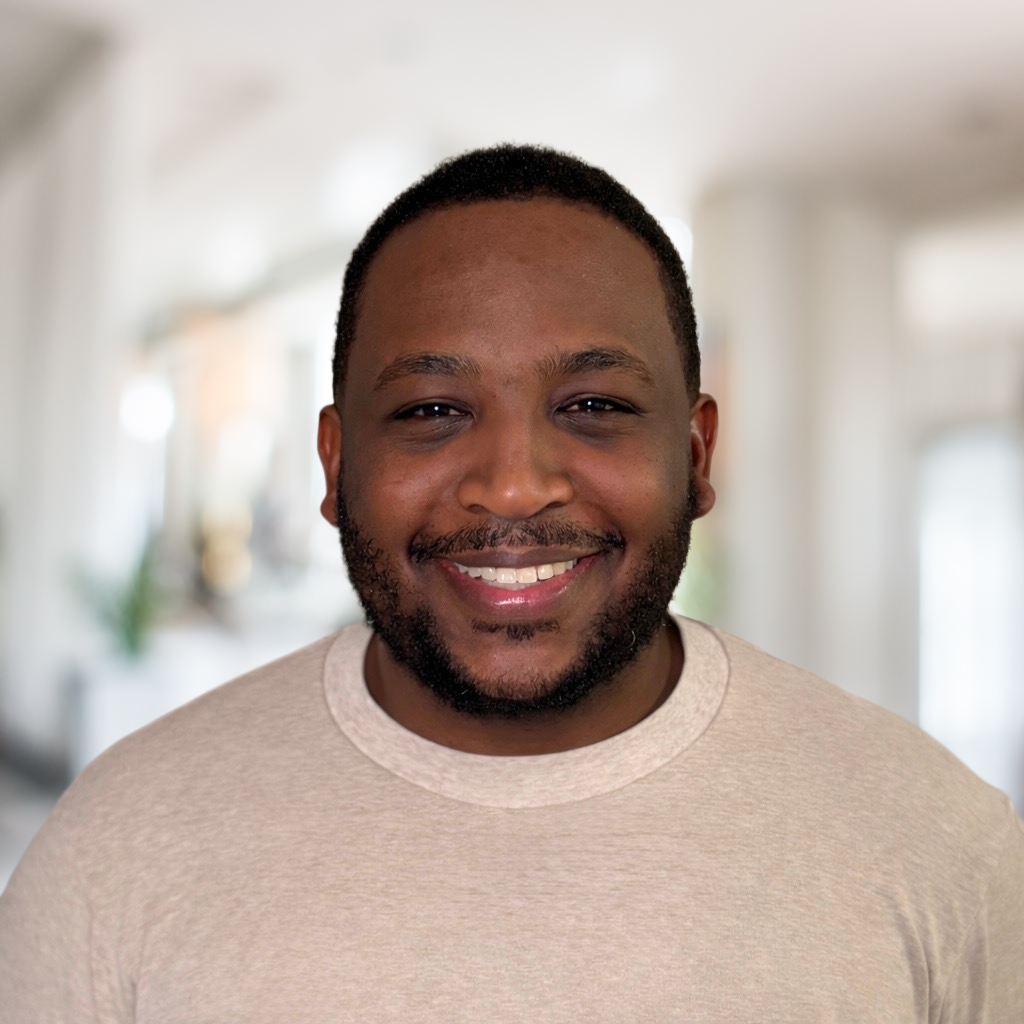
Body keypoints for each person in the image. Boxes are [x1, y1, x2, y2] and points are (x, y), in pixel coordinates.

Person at [1, 144, 1021, 1022]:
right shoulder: (120, 850)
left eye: (593, 403)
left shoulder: (941, 848)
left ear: (697, 455)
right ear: (333, 464)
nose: (513, 483)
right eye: (432, 411)